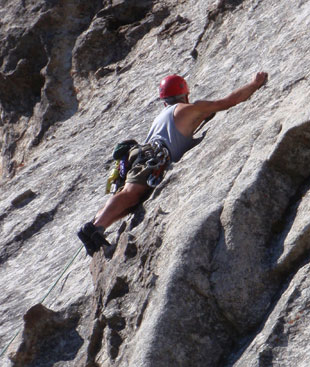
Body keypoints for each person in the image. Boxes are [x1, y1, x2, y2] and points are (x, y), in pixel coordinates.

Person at [77, 71, 268, 255]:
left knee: (132, 201)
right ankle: (96, 226)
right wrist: (254, 84)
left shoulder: (164, 116)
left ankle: (94, 226)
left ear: (164, 100)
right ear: (185, 94)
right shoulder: (188, 109)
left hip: (143, 155)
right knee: (131, 194)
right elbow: (228, 102)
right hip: (153, 156)